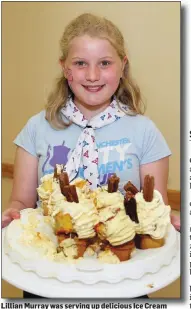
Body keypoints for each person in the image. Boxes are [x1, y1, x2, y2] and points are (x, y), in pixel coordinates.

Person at [2, 13, 180, 298]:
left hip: (123, 278)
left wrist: (164, 219)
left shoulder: (145, 132)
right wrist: (14, 212)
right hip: (49, 275)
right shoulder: (36, 128)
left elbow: (152, 209)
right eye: (80, 63)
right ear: (64, 68)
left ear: (123, 66)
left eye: (105, 63)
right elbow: (22, 202)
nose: (93, 75)